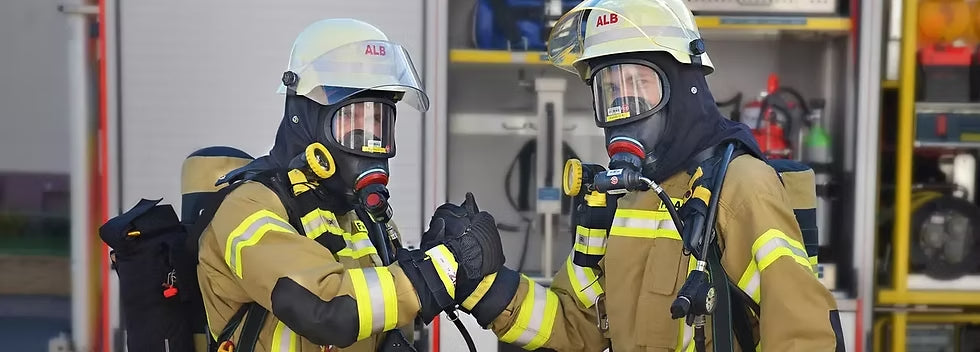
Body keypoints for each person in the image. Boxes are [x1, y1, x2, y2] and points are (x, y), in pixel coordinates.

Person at [444, 0, 847, 350]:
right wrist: (486, 285)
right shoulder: (624, 199)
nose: (625, 105)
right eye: (611, 91)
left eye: (639, 83)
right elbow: (575, 325)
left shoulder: (740, 189)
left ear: (685, 86)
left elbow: (802, 336)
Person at [196, 18, 505, 352]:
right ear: (307, 119)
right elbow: (327, 311)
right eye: (351, 121)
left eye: (377, 122)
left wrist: (433, 256)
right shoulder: (248, 209)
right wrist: (444, 268)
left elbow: (385, 305)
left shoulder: (364, 218)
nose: (368, 139)